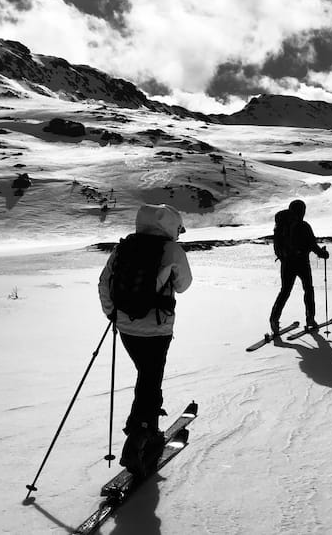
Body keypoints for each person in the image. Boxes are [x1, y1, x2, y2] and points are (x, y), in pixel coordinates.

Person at [98, 203, 192, 476]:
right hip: (157, 329)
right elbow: (184, 285)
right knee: (150, 378)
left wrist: (112, 314)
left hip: (126, 328)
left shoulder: (124, 247)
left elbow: (104, 282)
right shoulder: (171, 249)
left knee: (147, 376)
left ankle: (145, 426)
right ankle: (140, 435)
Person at [269, 199, 329, 334]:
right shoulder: (303, 226)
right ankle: (310, 319)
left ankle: (274, 319)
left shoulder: (281, 225)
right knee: (308, 289)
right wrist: (323, 254)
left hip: (286, 263)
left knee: (285, 291)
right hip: (302, 263)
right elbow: (312, 245)